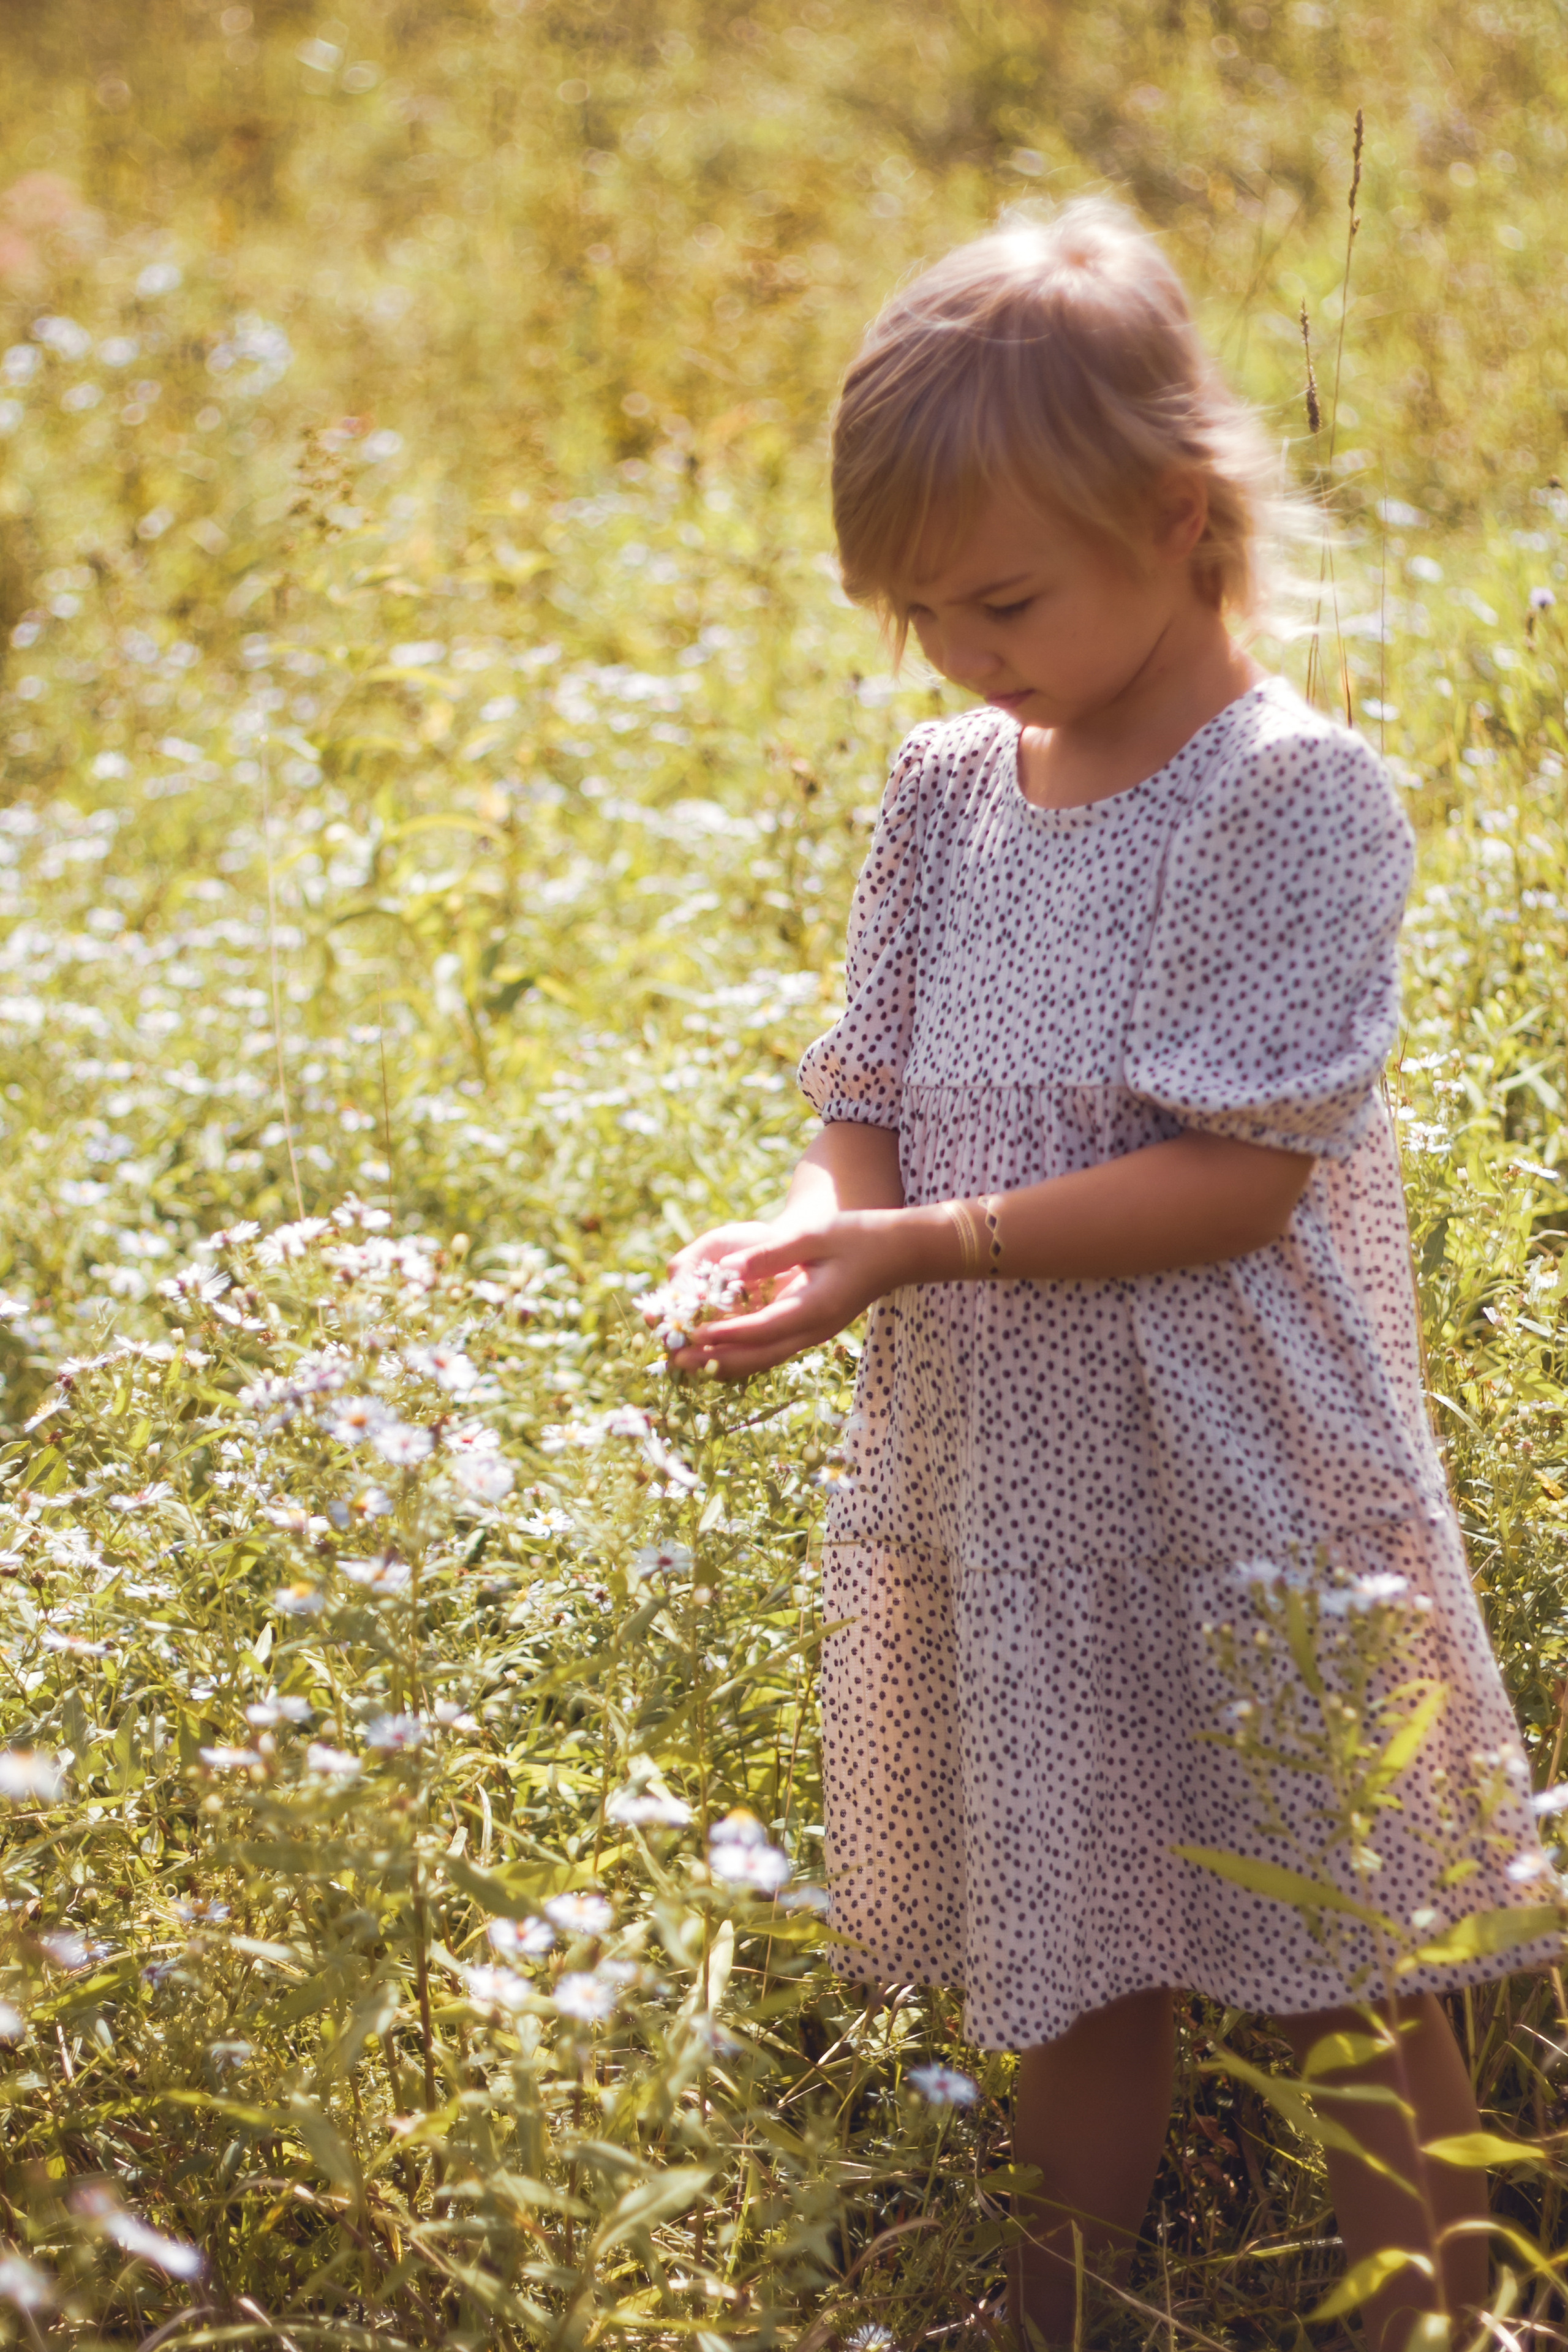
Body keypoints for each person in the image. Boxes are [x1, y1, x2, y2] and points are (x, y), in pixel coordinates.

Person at [665, 200, 1556, 2351]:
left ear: (1176, 521)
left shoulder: (1294, 795)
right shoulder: (948, 794)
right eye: (914, 613)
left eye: (1000, 598)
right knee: (1074, 1918)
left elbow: (1234, 1181)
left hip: (1248, 1474)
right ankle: (1058, 2302)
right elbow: (862, 1084)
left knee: (1336, 1935)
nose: (962, 651)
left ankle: (1446, 2315)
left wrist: (908, 1246)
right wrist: (814, 1224)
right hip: (1016, 1471)